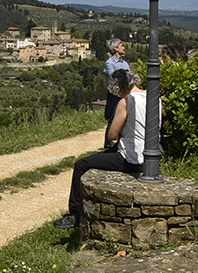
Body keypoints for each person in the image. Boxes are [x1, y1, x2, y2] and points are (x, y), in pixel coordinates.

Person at [53, 68, 156, 230]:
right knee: (105, 155)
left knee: (81, 164)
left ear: (117, 87)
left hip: (129, 158)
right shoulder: (154, 96)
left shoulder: (126, 101)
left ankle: (74, 215)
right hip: (149, 158)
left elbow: (112, 135)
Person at [102, 38, 130, 149]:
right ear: (116, 48)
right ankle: (107, 147)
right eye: (121, 45)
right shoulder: (109, 63)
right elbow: (114, 77)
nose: (124, 48)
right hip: (115, 96)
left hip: (125, 95)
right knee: (113, 121)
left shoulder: (125, 63)